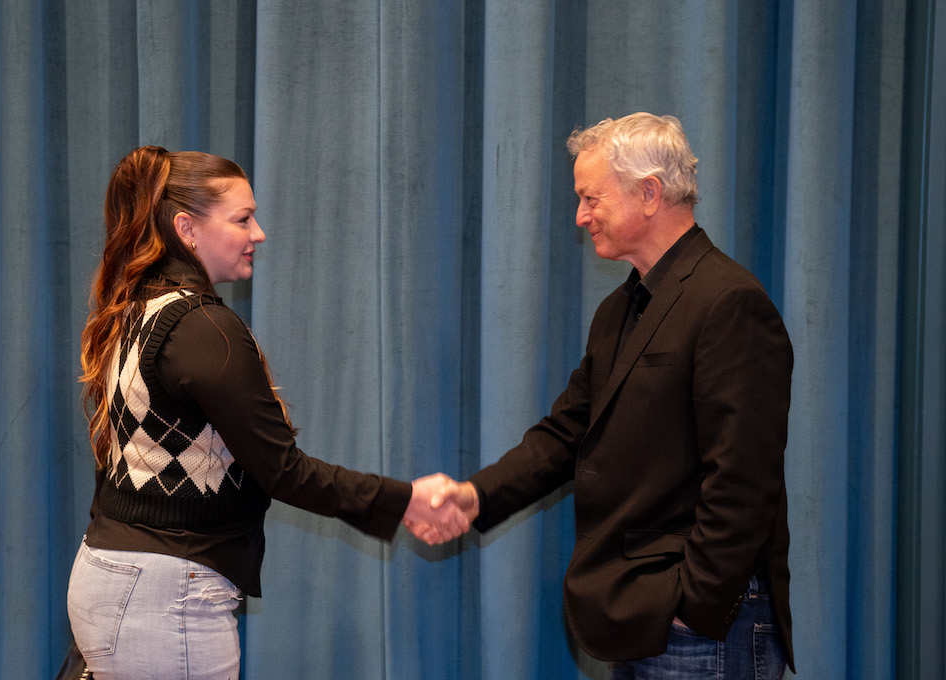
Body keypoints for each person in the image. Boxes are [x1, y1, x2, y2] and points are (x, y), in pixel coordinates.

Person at [412, 113, 795, 678]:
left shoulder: (728, 302)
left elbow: (743, 479)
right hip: (644, 618)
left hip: (700, 628)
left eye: (591, 198)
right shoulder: (620, 310)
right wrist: (476, 496)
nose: (580, 216)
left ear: (648, 193)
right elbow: (567, 432)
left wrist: (694, 606)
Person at [67, 146, 469, 680]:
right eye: (242, 218)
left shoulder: (133, 309)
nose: (258, 233)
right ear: (187, 228)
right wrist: (407, 500)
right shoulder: (202, 327)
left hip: (111, 574)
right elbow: (283, 470)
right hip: (164, 597)